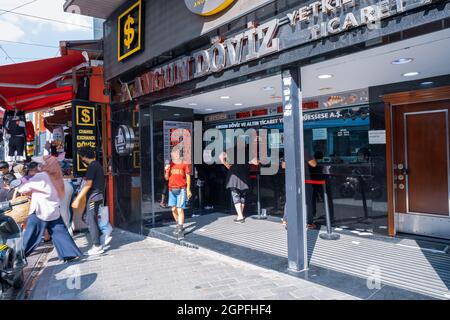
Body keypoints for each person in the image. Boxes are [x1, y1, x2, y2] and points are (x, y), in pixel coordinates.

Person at [18, 156, 82, 263]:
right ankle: (69, 253)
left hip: (40, 209)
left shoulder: (41, 176)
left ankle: (18, 256)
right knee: (59, 232)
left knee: (31, 234)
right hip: (53, 209)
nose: (39, 166)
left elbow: (23, 188)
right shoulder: (57, 176)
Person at [71, 147, 108, 256]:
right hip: (95, 196)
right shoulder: (97, 165)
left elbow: (88, 185)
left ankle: (97, 246)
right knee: (86, 217)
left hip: (94, 197)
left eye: (81, 157)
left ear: (84, 157)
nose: (81, 159)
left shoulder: (92, 166)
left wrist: (77, 199)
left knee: (90, 220)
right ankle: (100, 234)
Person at [281, 149, 318, 229]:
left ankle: (286, 219)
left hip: (291, 180)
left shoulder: (289, 150)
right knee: (307, 200)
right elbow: (314, 164)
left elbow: (283, 165)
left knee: (290, 200)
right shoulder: (303, 150)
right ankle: (308, 222)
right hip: (304, 180)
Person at [219, 145, 253, 224]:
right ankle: (240, 214)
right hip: (244, 175)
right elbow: (255, 161)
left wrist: (225, 164)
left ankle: (240, 216)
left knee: (235, 195)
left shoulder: (230, 149)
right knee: (243, 194)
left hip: (234, 175)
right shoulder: (247, 151)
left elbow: (220, 156)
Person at [164, 148, 192, 239]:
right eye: (172, 154)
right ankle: (178, 224)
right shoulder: (170, 165)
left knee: (180, 209)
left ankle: (180, 229)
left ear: (178, 154)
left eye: (173, 154)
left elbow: (188, 177)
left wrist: (188, 189)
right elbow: (166, 178)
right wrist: (166, 170)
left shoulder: (184, 164)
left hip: (181, 189)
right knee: (173, 209)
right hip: (171, 189)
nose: (172, 155)